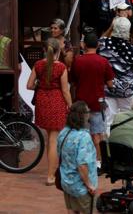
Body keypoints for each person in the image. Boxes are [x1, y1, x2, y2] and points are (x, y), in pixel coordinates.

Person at [26, 38, 72, 186]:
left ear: (44, 50)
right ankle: (50, 175)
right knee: (53, 139)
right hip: (57, 101)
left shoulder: (38, 65)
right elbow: (65, 91)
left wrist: (40, 84)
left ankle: (51, 172)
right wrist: (70, 105)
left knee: (49, 140)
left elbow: (29, 85)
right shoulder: (61, 68)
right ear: (58, 50)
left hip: (42, 101)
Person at [70, 32, 115, 162]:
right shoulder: (103, 61)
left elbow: (72, 81)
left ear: (84, 45)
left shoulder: (78, 60)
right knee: (97, 134)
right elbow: (110, 83)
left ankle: (80, 159)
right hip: (98, 102)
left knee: (79, 133)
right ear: (98, 45)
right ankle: (98, 161)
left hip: (81, 102)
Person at [97, 17, 133, 133]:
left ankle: (108, 145)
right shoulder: (131, 49)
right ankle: (125, 139)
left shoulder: (103, 44)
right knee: (127, 116)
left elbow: (100, 42)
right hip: (126, 90)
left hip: (108, 87)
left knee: (108, 119)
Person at [58, 102, 98, 214]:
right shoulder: (84, 137)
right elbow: (82, 165)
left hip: (67, 181)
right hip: (81, 187)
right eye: (88, 111)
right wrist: (89, 185)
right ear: (83, 115)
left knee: (71, 210)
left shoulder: (63, 132)